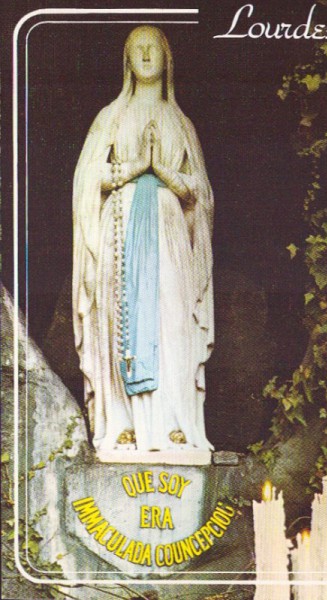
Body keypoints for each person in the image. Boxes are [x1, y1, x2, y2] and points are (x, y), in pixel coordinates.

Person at [72, 26, 214, 453]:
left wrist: (164, 171)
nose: (147, 54)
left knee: (171, 318)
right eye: (138, 48)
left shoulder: (180, 122)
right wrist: (136, 166)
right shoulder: (110, 117)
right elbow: (87, 180)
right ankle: (124, 422)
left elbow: (201, 194)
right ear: (127, 60)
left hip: (169, 231)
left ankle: (173, 423)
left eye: (154, 47)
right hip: (121, 226)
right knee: (121, 316)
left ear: (168, 58)